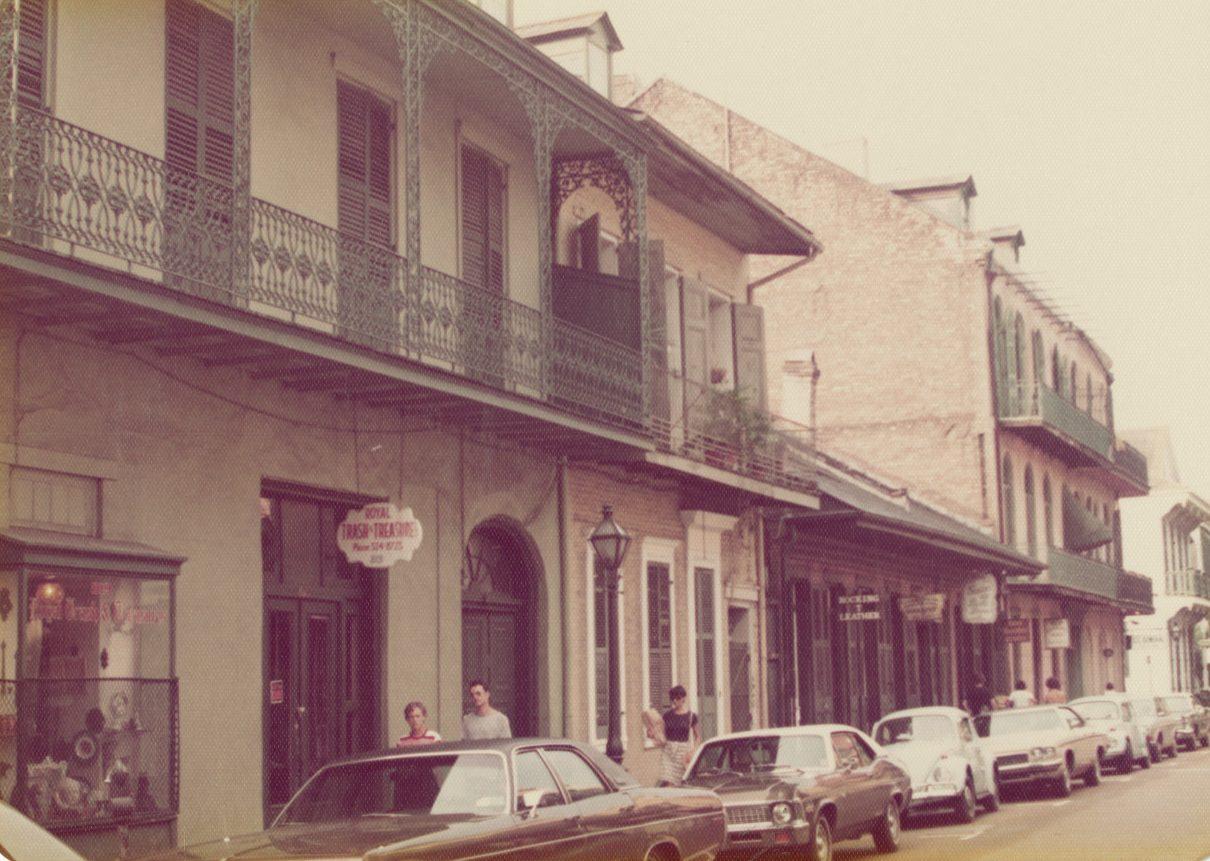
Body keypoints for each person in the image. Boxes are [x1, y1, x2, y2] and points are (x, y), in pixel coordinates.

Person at [657, 685, 700, 787]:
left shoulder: (691, 716)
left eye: (677, 698)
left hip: (683, 752)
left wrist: (693, 751)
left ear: (683, 698)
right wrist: (652, 733)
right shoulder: (667, 715)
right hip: (668, 751)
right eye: (673, 699)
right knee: (668, 780)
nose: (675, 701)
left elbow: (697, 737)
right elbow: (659, 732)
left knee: (681, 782)